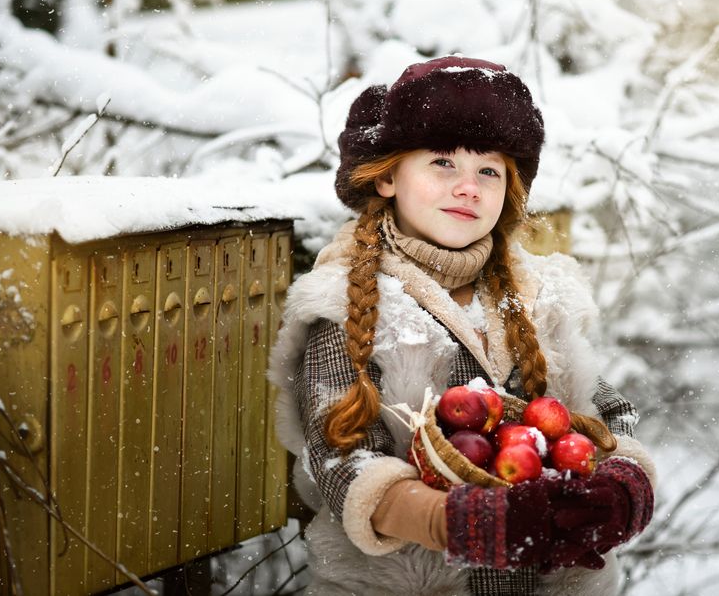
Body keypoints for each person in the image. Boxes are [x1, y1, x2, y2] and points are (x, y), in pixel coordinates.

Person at [267, 56, 657, 595]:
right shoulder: (345, 305)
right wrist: (453, 522)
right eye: (443, 163)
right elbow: (340, 460)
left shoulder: (541, 296)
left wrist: (624, 484)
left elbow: (605, 413)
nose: (468, 187)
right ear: (387, 176)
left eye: (488, 171)